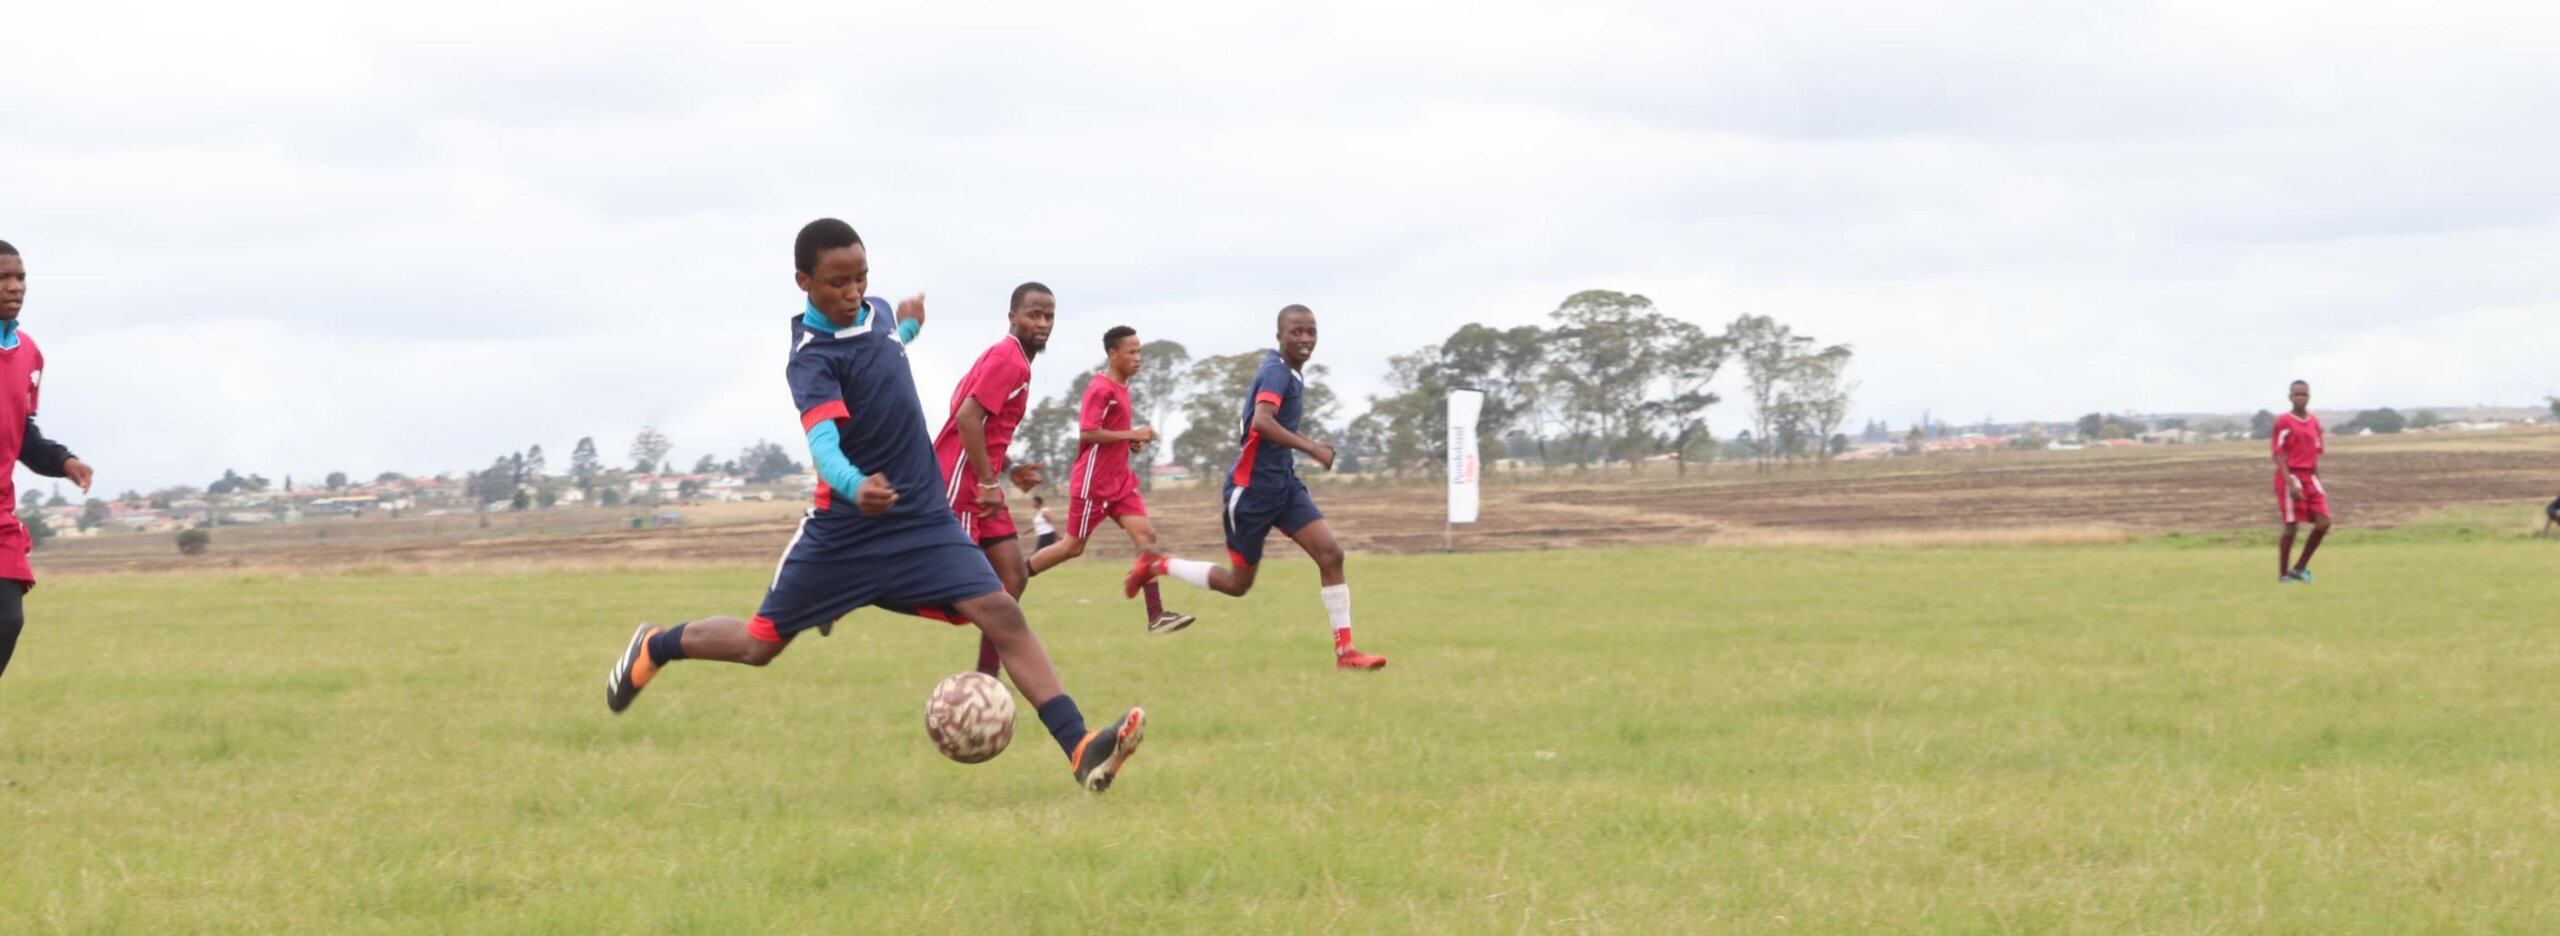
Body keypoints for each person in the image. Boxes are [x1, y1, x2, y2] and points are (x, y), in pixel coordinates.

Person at [602, 220, 1145, 792]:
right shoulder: (812, 360)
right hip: (845, 534)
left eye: (861, 278)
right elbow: (823, 446)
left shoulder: (876, 312)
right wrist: (856, 486)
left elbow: (888, 343)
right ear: (803, 281)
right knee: (756, 645)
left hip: (923, 521)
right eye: (837, 283)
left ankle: (1080, 747)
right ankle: (657, 643)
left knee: (1003, 611)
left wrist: (909, 324)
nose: (853, 292)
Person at [1125, 306, 1384, 669]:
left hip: (1284, 486)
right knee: (1238, 584)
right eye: (1296, 332)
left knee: (1331, 555)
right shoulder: (1277, 372)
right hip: (1251, 493)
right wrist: (1312, 448)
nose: (1305, 339)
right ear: (1280, 336)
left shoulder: (1289, 372)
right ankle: (1156, 564)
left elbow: (1272, 427)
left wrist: (1305, 446)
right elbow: (1262, 422)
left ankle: (1347, 654)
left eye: (1311, 331)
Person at [1024, 326, 1195, 634]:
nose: (1138, 358)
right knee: (1072, 547)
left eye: (1139, 351)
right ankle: (1014, 578)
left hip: (1120, 483)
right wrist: (1131, 433)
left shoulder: (1123, 387)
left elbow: (1110, 434)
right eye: (1131, 352)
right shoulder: (1100, 389)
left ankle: (1156, 616)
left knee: (1146, 535)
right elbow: (1088, 433)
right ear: (1113, 354)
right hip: (1094, 485)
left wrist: (1130, 443)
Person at [931, 282, 1052, 674]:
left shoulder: (1009, 358)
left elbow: (979, 420)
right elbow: (966, 416)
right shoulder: (1009, 359)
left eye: (1049, 316)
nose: (1042, 323)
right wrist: (985, 481)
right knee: (960, 591)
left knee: (1013, 578)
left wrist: (1010, 468)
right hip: (961, 483)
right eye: (1034, 315)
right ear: (1013, 317)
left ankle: (986, 682)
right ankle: (847, 590)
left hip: (983, 485)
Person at [0, 239, 96, 682]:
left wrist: (63, 461)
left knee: (7, 619)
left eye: (20, 277)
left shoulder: (28, 354)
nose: (14, 287)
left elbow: (20, 432)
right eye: (3, 278)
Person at [2272, 379, 2330, 583]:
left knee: (2323, 523)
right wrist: (2290, 483)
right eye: (2297, 394)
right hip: (2291, 475)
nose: (2300, 398)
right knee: (2291, 526)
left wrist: (2318, 483)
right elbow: (2279, 455)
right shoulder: (2283, 421)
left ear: (2309, 397)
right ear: (2290, 397)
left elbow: (2315, 454)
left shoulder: (2314, 422)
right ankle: (2283, 575)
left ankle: (2299, 568)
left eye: (2304, 394)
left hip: (2310, 476)